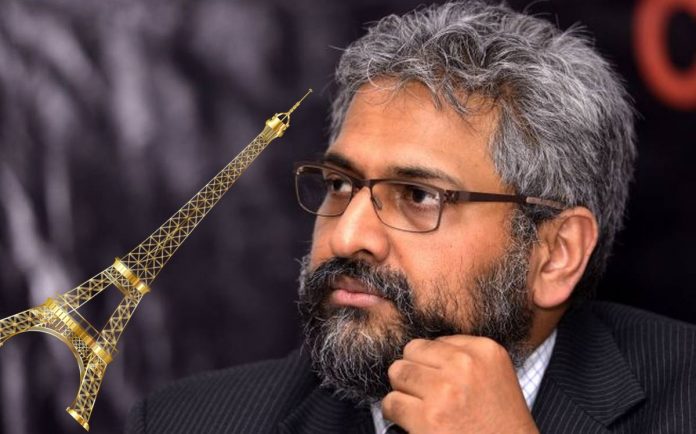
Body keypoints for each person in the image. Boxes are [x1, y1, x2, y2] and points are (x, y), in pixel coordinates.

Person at [126, 1, 696, 433]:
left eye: (418, 195)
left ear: (555, 254)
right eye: (340, 185)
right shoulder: (186, 422)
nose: (348, 235)